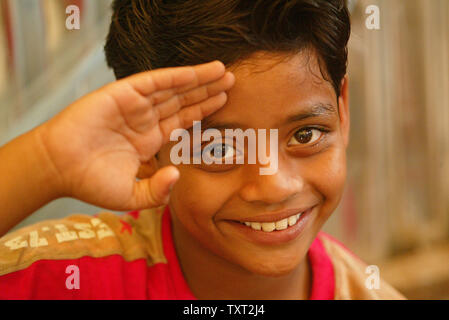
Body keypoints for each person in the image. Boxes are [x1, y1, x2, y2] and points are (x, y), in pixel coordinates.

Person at [0, 0, 404, 299]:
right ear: (147, 147)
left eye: (305, 135)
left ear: (342, 112)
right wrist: (47, 162)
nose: (275, 185)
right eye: (219, 148)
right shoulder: (64, 277)